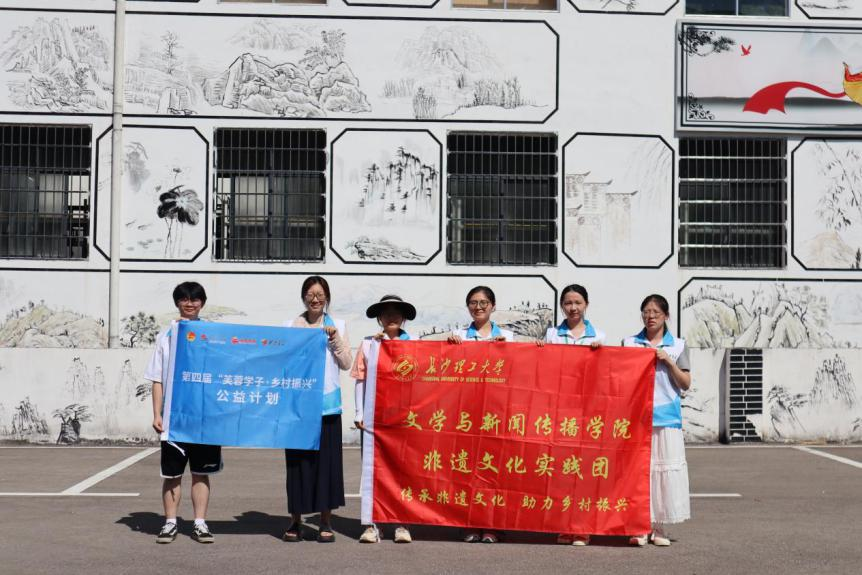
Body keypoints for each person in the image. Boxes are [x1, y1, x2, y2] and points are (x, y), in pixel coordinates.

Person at [145, 281, 220, 544]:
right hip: (174, 417)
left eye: (195, 299)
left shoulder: (212, 334)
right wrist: (157, 414)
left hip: (204, 417)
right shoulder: (166, 335)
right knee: (172, 474)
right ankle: (170, 523)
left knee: (201, 472)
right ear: (177, 302)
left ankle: (199, 523)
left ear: (202, 303)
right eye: (184, 299)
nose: (190, 303)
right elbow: (157, 378)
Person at [282, 276, 352, 543]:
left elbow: (346, 363)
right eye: (310, 294)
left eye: (320, 295)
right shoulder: (290, 326)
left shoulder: (338, 325)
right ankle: (295, 520)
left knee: (327, 466)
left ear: (327, 298)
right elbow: (283, 362)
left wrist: (334, 340)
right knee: (297, 466)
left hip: (327, 407)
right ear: (303, 297)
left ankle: (325, 520)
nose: (315, 299)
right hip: (298, 408)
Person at [622, 294, 691, 547]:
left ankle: (659, 526)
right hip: (637, 417)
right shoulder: (630, 343)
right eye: (646, 312)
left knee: (662, 473)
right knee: (639, 473)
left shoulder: (678, 345)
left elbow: (685, 383)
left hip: (667, 418)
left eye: (656, 312)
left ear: (666, 316)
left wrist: (668, 362)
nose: (650, 316)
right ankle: (639, 525)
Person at [538, 284, 604, 546]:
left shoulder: (599, 335)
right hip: (560, 410)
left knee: (584, 471)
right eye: (568, 303)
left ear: (586, 304)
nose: (573, 308)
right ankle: (563, 525)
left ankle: (582, 527)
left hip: (587, 411)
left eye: (578, 302)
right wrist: (539, 350)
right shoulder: (552, 334)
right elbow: (544, 369)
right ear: (562, 306)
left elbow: (606, 374)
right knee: (562, 472)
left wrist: (602, 354)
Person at [448, 285, 512, 544]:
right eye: (473, 303)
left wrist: (507, 350)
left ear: (493, 306)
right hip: (466, 413)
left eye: (484, 302)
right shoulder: (458, 336)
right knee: (467, 470)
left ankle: (493, 525)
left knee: (493, 470)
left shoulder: (507, 337)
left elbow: (518, 370)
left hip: (496, 414)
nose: (479, 307)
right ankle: (469, 522)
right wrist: (450, 347)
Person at [352, 295, 417, 544]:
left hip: (405, 418)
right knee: (373, 470)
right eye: (386, 312)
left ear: (404, 318)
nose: (391, 316)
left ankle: (402, 523)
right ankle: (372, 524)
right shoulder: (369, 344)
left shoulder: (415, 345)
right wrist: (359, 412)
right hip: (374, 417)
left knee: (403, 471)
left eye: (396, 312)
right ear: (379, 318)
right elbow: (360, 379)